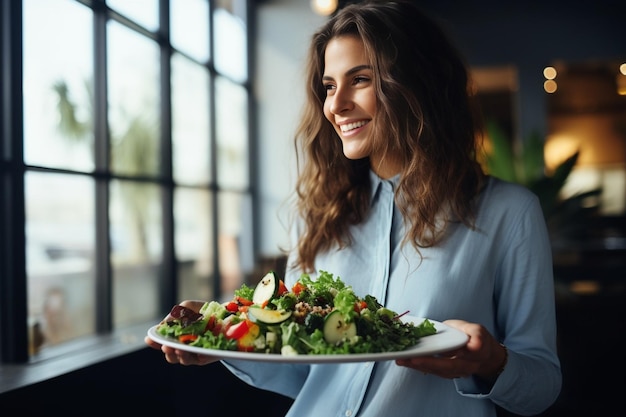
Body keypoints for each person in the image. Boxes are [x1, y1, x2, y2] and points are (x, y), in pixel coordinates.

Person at [145, 1, 562, 415]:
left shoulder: (509, 213)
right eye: (328, 86)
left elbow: (541, 385)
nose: (336, 105)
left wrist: (491, 363)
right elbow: (305, 375)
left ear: (415, 84)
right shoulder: (320, 213)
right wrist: (224, 340)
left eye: (360, 80)